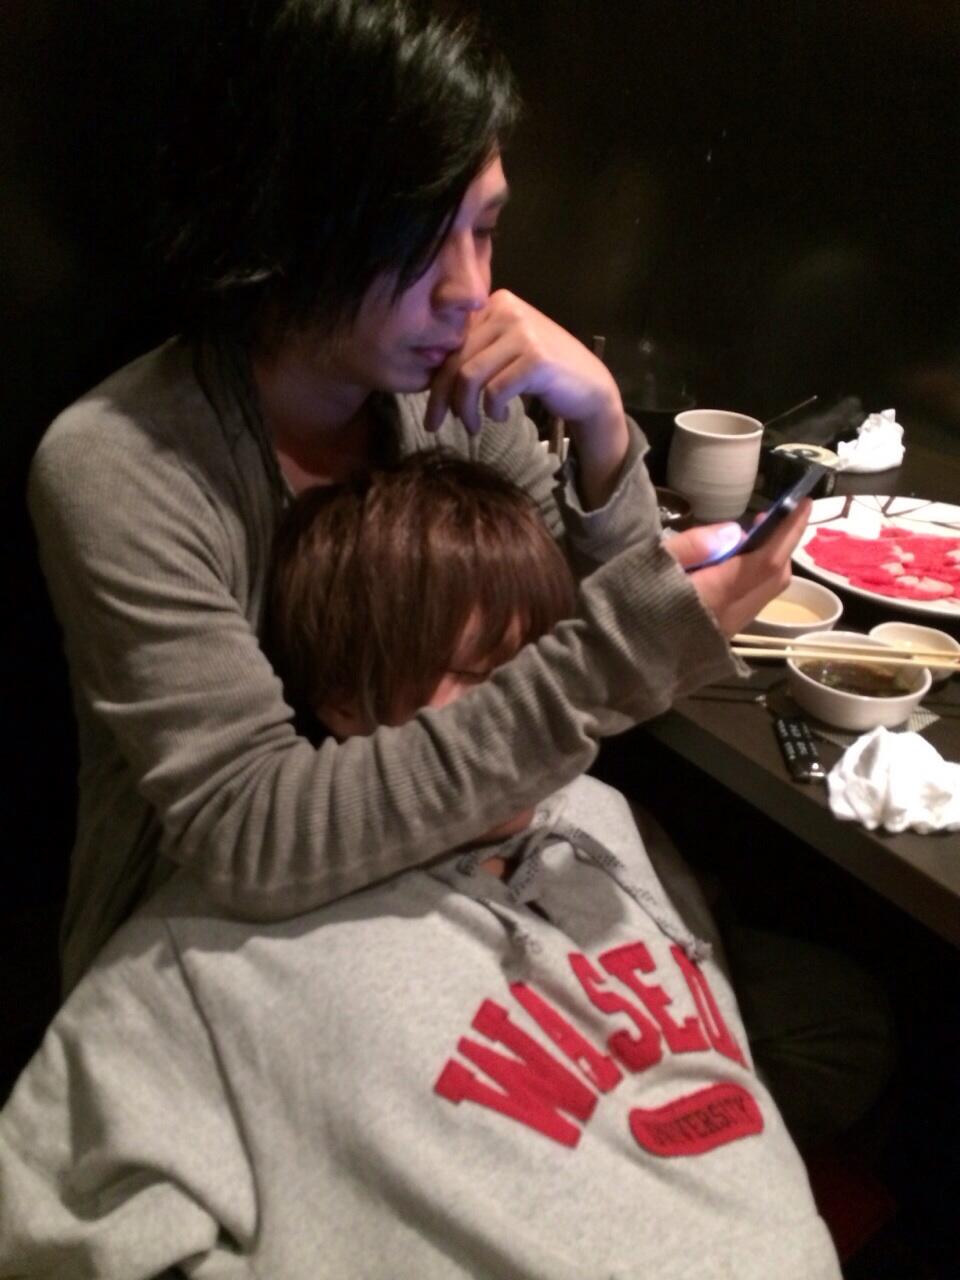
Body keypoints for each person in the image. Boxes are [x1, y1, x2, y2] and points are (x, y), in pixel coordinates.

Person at [27, 0, 808, 994]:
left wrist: (603, 421)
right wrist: (628, 645)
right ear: (289, 219)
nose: (470, 291)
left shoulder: (452, 394)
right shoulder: (121, 461)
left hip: (456, 881)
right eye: (419, 238)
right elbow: (251, 831)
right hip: (211, 958)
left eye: (485, 229)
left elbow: (579, 638)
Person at [0, 454, 841, 1278]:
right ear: (342, 697)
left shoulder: (600, 814)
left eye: (547, 664)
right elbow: (47, 1225)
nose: (541, 722)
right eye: (483, 678)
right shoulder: (203, 947)